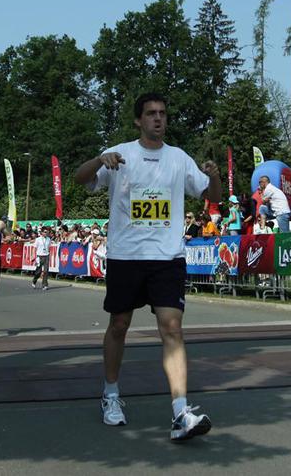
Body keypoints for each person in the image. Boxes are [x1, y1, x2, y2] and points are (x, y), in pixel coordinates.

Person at [74, 92, 221, 442]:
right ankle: (111, 395)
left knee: (172, 328)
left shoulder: (179, 158)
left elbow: (212, 197)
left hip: (167, 258)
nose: (158, 118)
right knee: (119, 325)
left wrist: (214, 177)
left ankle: (181, 413)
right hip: (126, 256)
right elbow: (80, 179)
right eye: (151, 113)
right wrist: (98, 160)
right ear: (138, 120)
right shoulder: (120, 153)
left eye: (163, 113)